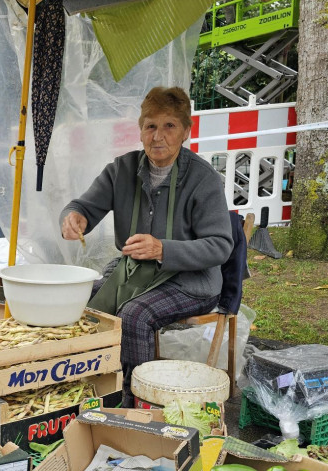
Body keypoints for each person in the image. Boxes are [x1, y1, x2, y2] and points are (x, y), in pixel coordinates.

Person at [60, 86, 233, 405]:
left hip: (192, 281)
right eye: (150, 126)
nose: (158, 136)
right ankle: (94, 385)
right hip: (137, 270)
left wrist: (163, 250)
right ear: (140, 131)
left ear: (185, 131)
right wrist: (74, 217)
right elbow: (83, 205)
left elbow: (220, 246)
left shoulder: (202, 179)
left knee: (134, 314)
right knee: (82, 297)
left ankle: (133, 403)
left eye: (169, 126)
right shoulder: (121, 170)